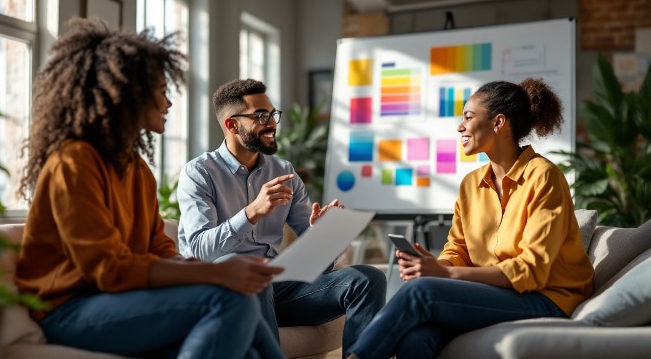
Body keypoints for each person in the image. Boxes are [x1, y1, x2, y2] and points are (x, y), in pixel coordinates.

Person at [14, 18, 285, 359]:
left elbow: (157, 247)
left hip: (119, 301)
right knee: (228, 298)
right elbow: (109, 269)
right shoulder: (74, 161)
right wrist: (214, 272)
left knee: (246, 338)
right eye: (160, 92)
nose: (168, 103)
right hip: (68, 310)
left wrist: (207, 273)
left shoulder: (137, 168)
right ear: (126, 95)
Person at [347, 78, 595, 359]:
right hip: (495, 293)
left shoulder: (544, 177)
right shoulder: (471, 184)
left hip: (548, 298)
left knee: (421, 292)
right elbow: (459, 249)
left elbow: (532, 271)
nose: (460, 127)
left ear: (498, 123)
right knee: (417, 337)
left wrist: (444, 275)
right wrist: (435, 265)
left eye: (468, 117)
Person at [177, 78, 387, 358]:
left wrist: (322, 235)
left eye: (273, 114)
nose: (272, 123)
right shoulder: (199, 174)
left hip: (277, 290)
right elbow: (201, 251)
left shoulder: (283, 171)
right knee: (247, 268)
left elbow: (320, 268)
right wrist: (252, 213)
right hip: (223, 290)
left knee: (367, 278)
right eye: (261, 116)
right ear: (232, 124)